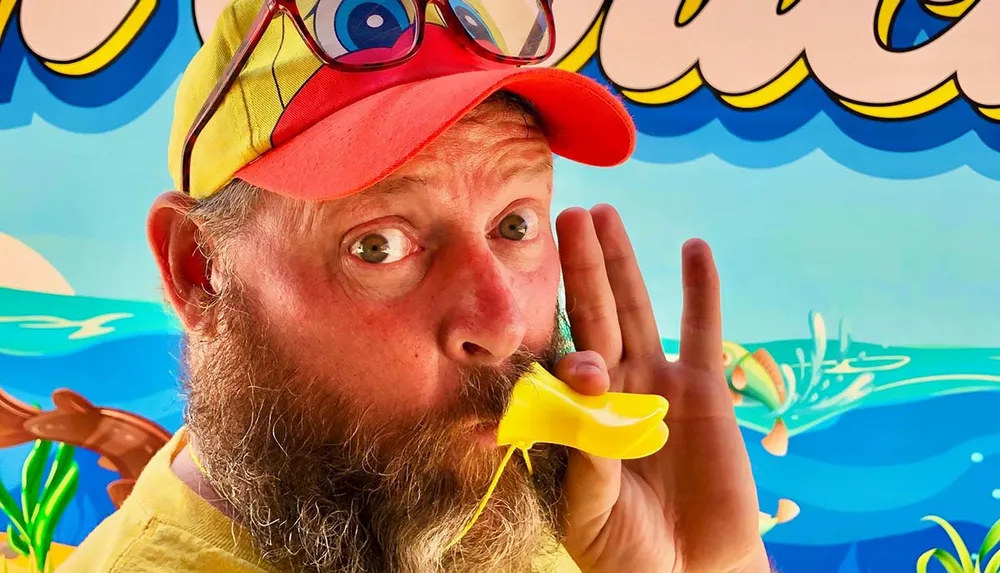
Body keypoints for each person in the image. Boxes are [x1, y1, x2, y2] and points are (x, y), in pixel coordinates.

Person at [57, 0, 771, 572]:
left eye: (515, 225)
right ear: (200, 271)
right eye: (379, 244)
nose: (500, 327)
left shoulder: (565, 511)